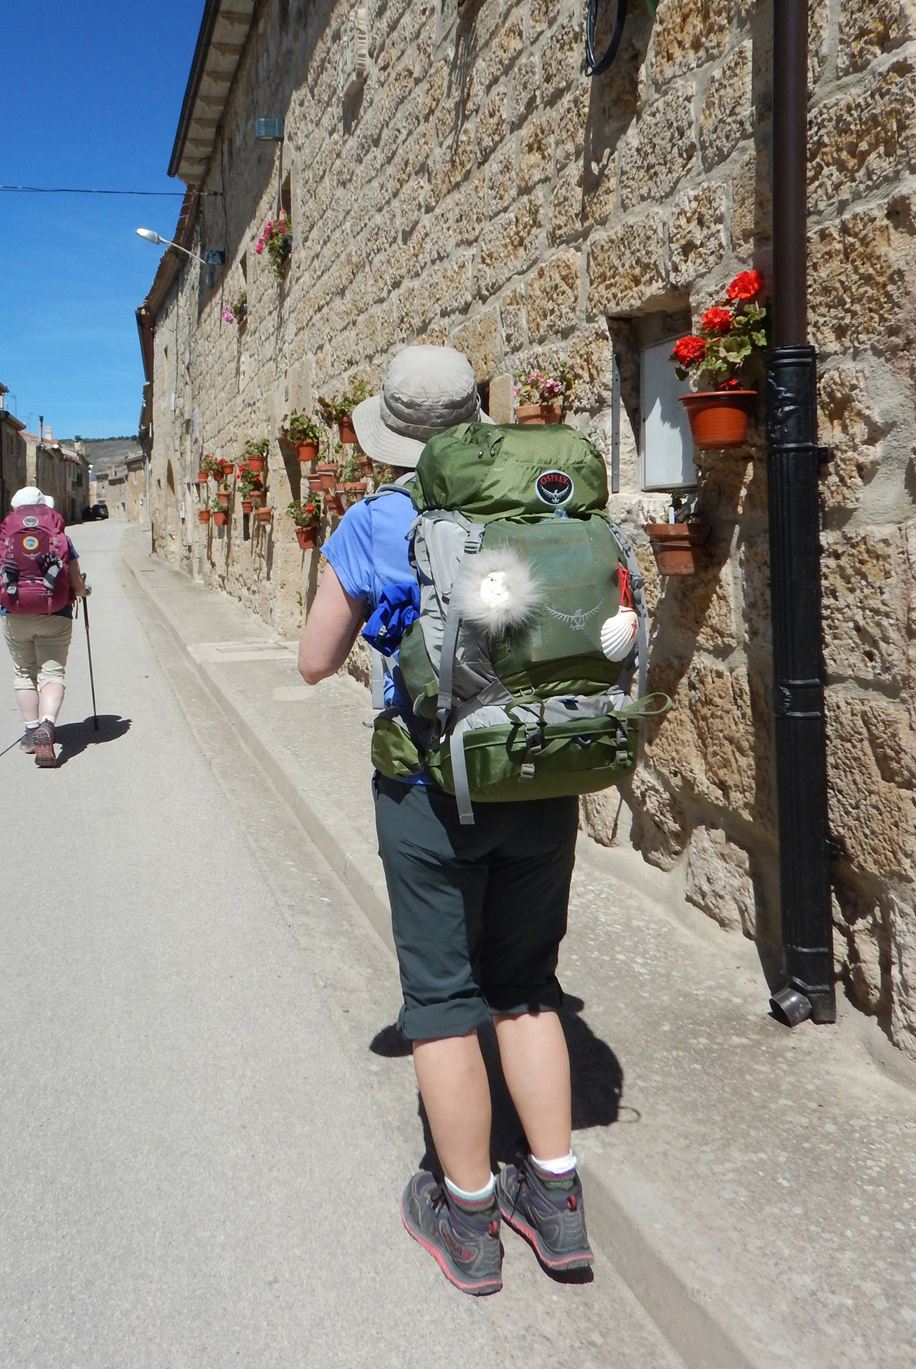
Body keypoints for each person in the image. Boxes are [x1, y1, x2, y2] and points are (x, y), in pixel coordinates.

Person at [298, 345, 591, 1295]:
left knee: (440, 998)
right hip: (545, 773)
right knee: (528, 985)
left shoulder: (374, 520)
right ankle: (554, 1199)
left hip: (430, 787)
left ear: (390, 432)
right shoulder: (545, 501)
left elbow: (311, 659)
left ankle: (467, 1215)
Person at [0, 486, 89, 767]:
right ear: (45, 508)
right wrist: (85, 591)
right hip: (56, 611)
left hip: (15, 613)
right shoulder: (60, 537)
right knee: (52, 672)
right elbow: (76, 584)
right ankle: (48, 724)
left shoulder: (6, 541)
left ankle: (31, 732)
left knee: (24, 672)